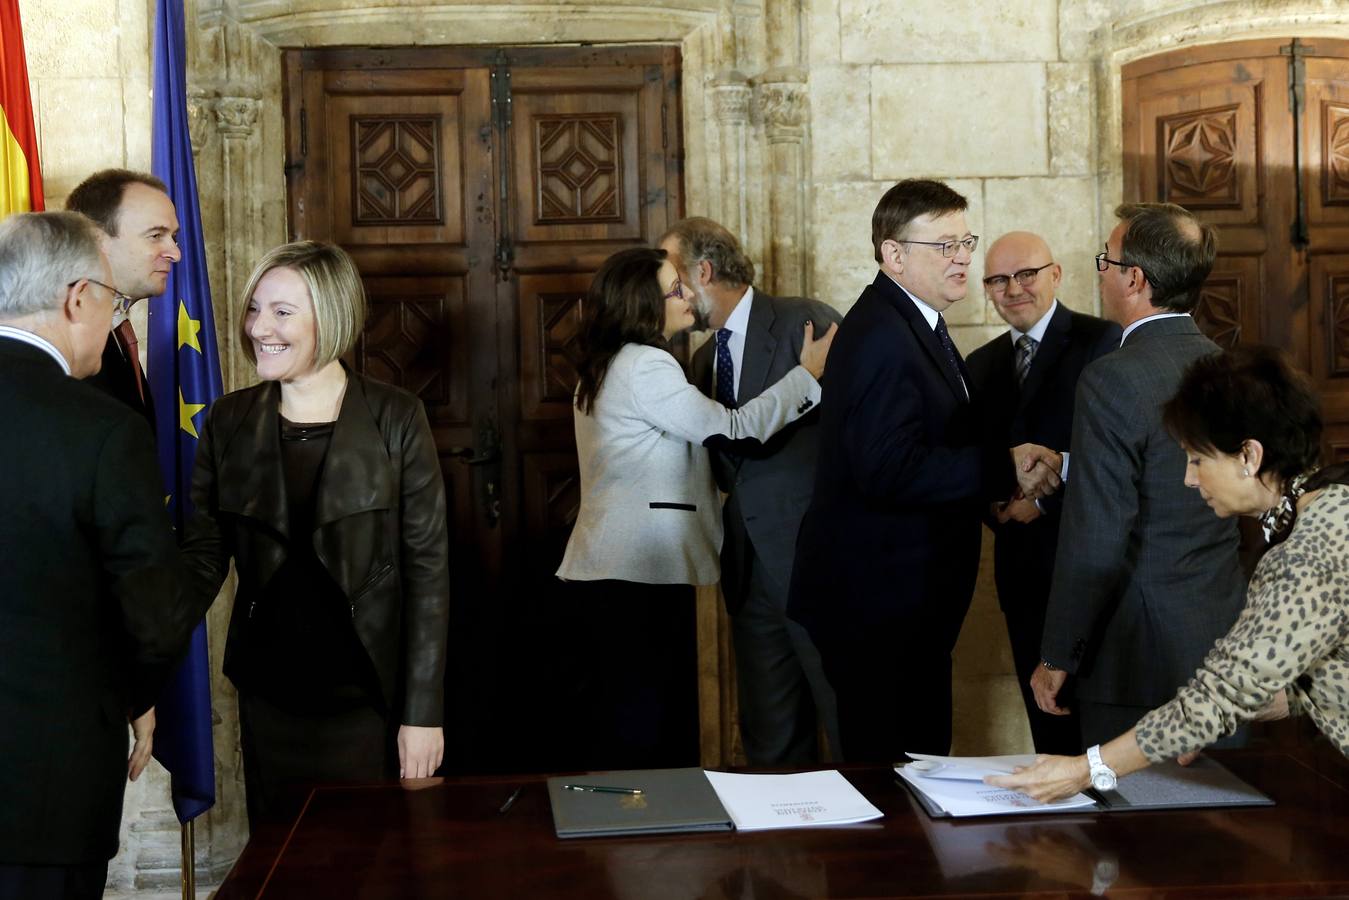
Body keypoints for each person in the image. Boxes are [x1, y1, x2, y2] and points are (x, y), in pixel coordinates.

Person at [989, 346, 1349, 801]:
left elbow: (1224, 691)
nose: (1189, 479)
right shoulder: (1332, 504)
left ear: (1249, 456)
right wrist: (1202, 716)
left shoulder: (1305, 554)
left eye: (1197, 459)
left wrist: (1085, 769)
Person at [180, 241, 449, 826]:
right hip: (268, 696)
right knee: (280, 866)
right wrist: (142, 648)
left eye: (282, 312)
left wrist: (422, 713)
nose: (259, 328)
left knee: (366, 869)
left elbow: (427, 571)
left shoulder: (396, 417)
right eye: (255, 309)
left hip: (365, 699)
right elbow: (201, 560)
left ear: (329, 318)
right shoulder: (227, 420)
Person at [787, 179, 1051, 761]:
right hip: (876, 606)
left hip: (903, 602)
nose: (962, 258)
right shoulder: (883, 332)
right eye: (944, 246)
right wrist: (1002, 471)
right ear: (894, 254)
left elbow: (933, 443)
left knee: (918, 763)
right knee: (891, 774)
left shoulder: (914, 319)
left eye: (965, 241)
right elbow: (887, 468)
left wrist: (994, 497)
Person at [556, 246, 834, 770]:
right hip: (638, 570)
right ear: (645, 303)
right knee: (645, 726)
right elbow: (732, 428)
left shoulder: (611, 362)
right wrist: (808, 376)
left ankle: (635, 838)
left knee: (629, 720)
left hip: (616, 569)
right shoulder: (647, 364)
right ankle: (651, 842)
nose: (686, 294)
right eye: (673, 289)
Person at [0, 212, 201, 900]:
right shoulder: (102, 429)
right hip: (45, 796)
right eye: (114, 303)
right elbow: (156, 615)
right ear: (75, 298)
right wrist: (137, 694)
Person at [1032, 202, 1246, 749]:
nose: (1099, 269)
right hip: (1224, 642)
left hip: (1136, 658)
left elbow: (1098, 540)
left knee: (1134, 831)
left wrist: (1059, 652)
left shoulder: (1112, 378)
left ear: (1134, 278)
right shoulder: (1229, 368)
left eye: (1106, 259)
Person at [662, 216, 843, 766]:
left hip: (818, 565)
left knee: (849, 726)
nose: (665, 292)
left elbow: (862, 431)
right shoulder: (696, 362)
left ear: (703, 271)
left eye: (670, 278)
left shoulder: (804, 323)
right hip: (748, 574)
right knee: (772, 739)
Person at [966, 231, 1121, 754]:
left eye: (1026, 274)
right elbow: (975, 458)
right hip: (1022, 572)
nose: (1013, 288)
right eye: (998, 279)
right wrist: (996, 505)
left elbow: (1117, 455)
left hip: (1088, 569)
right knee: (1049, 731)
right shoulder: (980, 365)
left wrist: (1043, 501)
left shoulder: (1104, 341)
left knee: (1097, 734)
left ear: (1055, 274)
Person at [65, 169, 182, 432]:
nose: (175, 253)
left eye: (173, 238)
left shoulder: (115, 327)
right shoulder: (65, 343)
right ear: (95, 239)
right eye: (155, 236)